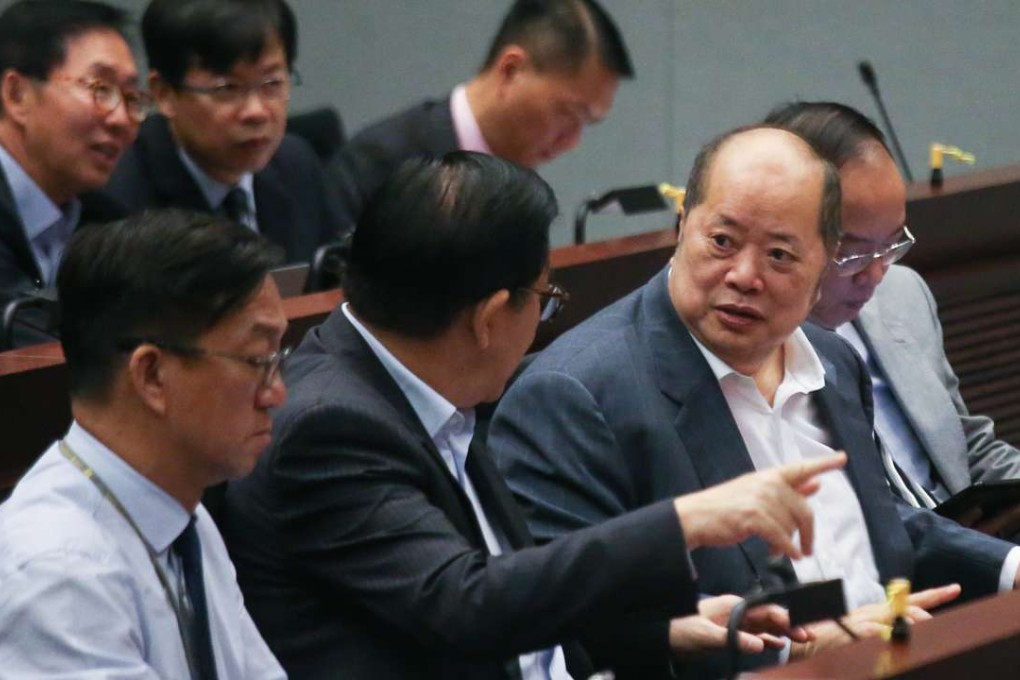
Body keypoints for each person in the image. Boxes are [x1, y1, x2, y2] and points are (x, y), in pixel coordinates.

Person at [221, 151, 847, 680]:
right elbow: (464, 603)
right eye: (545, 301)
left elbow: (512, 596)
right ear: (490, 318)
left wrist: (665, 631)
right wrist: (687, 520)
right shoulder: (330, 428)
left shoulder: (433, 393)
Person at [488, 126, 1020, 674]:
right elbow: (571, 626)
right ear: (681, 226)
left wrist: (1010, 566)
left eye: (780, 255)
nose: (744, 276)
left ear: (825, 265)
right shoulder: (573, 395)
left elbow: (874, 524)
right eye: (722, 242)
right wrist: (795, 648)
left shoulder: (831, 360)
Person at [0, 209, 288, 678]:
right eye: (258, 360)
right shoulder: (58, 573)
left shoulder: (185, 516)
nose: (277, 393)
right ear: (152, 375)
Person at [765, 101, 1020, 514]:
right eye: (852, 254)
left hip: (971, 532)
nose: (876, 273)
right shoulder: (755, 354)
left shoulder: (903, 293)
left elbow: (966, 448)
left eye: (891, 244)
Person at [330, 0, 630, 227]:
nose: (572, 141)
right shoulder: (378, 165)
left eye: (588, 123)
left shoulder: (522, 189)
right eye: (567, 112)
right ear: (511, 70)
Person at [104, 0, 348, 265]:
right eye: (227, 89)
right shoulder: (118, 200)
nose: (256, 112)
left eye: (272, 84)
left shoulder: (296, 165)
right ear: (164, 93)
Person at [0, 0, 146, 345]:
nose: (122, 119)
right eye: (100, 89)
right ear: (17, 95)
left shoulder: (108, 223)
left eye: (132, 98)